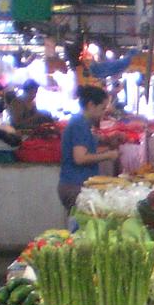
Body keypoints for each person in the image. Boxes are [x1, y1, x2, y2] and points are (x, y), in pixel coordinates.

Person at [58, 85, 119, 213]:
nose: (104, 113)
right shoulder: (79, 124)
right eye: (102, 108)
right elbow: (80, 158)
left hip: (76, 184)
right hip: (75, 185)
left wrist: (107, 144)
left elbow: (87, 148)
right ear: (91, 105)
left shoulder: (82, 123)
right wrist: (108, 156)